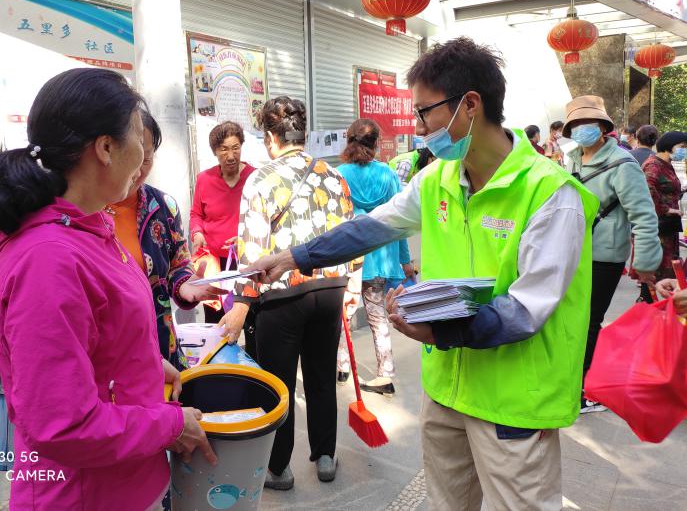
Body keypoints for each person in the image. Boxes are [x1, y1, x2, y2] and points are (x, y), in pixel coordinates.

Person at [245, 37, 599, 511]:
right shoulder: (438, 179)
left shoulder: (551, 195)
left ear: (469, 105)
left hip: (513, 403)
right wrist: (293, 257)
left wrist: (439, 331)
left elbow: (525, 311)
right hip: (447, 391)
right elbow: (372, 227)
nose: (418, 127)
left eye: (424, 112)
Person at [0, 68, 215, 509]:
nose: (144, 157)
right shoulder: (48, 257)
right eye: (138, 137)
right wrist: (172, 425)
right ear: (105, 148)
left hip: (121, 483)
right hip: (82, 495)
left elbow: (100, 332)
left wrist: (143, 363)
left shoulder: (90, 226)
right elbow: (63, 425)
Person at [0, 113, 225, 381]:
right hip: (103, 368)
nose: (139, 170)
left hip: (160, 355)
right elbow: (13, 266)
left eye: (148, 158)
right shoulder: (72, 211)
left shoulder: (163, 207)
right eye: (135, 155)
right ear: (104, 150)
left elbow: (178, 263)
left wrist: (185, 284)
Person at [217, 96, 362, 490]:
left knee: (278, 382)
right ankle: (326, 455)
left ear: (270, 138)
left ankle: (279, 468)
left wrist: (241, 304)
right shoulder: (334, 177)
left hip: (281, 297)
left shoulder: (261, 179)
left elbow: (252, 251)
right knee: (321, 376)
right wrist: (352, 286)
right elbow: (351, 236)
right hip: (329, 290)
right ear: (304, 133)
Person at [562, 96, 661, 413]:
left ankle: (583, 390)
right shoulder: (571, 158)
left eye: (588, 123)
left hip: (604, 255)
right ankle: (570, 381)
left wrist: (645, 263)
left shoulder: (623, 164)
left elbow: (644, 217)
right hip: (572, 250)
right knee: (571, 320)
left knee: (590, 321)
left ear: (604, 127)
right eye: (576, 124)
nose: (582, 129)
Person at [336, 119, 415, 397]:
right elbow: (400, 221)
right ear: (376, 143)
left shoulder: (339, 175)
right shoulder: (388, 175)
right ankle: (386, 374)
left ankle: (343, 367)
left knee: (343, 315)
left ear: (349, 141)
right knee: (378, 316)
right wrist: (405, 260)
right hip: (382, 257)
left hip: (350, 257)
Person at [190, 121, 256, 323]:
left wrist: (246, 238)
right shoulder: (204, 179)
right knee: (215, 320)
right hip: (214, 264)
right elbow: (196, 214)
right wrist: (197, 233)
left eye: (235, 148)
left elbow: (265, 219)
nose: (231, 156)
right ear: (215, 152)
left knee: (249, 317)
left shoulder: (255, 177)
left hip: (247, 261)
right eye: (224, 149)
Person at [639, 131, 687, 296]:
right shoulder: (654, 164)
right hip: (658, 225)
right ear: (669, 145)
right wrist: (666, 209)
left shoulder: (667, 164)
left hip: (668, 226)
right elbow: (646, 189)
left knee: (665, 270)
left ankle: (652, 302)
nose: (684, 150)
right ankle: (647, 302)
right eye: (682, 146)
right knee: (654, 269)